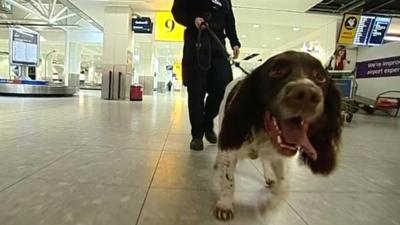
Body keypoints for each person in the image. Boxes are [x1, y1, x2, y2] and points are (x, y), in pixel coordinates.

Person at [172, 0, 241, 151]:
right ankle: (197, 135)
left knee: (223, 88)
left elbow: (229, 20)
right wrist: (192, 20)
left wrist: (235, 42)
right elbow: (177, 12)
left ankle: (207, 121)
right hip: (196, 43)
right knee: (196, 92)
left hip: (218, 45)